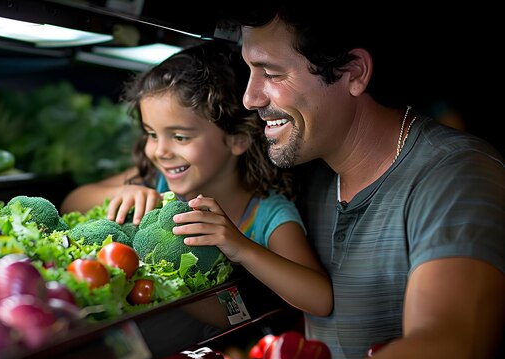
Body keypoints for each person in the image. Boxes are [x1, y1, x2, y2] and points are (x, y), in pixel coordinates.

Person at [203, 4, 505, 359]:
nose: (250, 97)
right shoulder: (309, 172)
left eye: (271, 73)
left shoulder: (455, 173)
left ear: (355, 73)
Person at [61, 41, 332, 316]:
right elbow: (71, 202)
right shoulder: (158, 181)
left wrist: (240, 247)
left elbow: (320, 299)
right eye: (152, 135)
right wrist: (121, 193)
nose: (160, 151)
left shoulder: (267, 214)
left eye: (180, 137)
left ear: (237, 139)